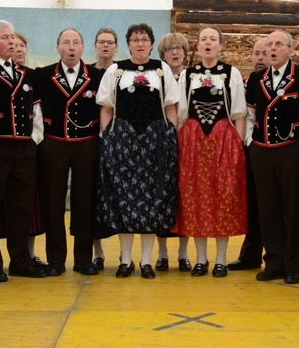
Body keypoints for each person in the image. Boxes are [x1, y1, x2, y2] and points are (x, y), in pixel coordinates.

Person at [96, 23, 179, 279]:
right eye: (135, 39)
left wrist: (170, 136)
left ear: (152, 44)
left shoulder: (162, 69)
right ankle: (125, 260)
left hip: (155, 140)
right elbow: (106, 108)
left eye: (144, 39)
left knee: (151, 199)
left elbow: (171, 107)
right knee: (125, 198)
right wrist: (108, 137)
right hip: (123, 140)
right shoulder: (116, 70)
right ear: (128, 44)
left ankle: (145, 262)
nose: (140, 43)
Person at [171, 26, 247, 278]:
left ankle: (221, 259)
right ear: (198, 45)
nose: (208, 43)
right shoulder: (188, 75)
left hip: (224, 138)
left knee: (223, 195)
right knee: (196, 196)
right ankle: (201, 259)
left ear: (220, 45)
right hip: (193, 140)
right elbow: (181, 114)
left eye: (213, 39)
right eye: (203, 39)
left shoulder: (231, 73)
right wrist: (180, 144)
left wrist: (238, 144)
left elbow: (239, 113)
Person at [246, 30, 299, 285]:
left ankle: (293, 266)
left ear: (290, 50)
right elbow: (249, 114)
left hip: (292, 149)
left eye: (278, 44)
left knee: (293, 208)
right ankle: (273, 262)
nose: (272, 49)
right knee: (268, 209)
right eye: (269, 44)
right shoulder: (257, 78)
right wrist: (250, 142)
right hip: (261, 150)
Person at [0, 20, 46, 281]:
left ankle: (21, 261)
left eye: (12, 37)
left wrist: (34, 138)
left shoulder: (26, 74)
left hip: (24, 147)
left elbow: (35, 109)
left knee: (21, 206)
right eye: (5, 38)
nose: (11, 42)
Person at [35, 28, 103, 277]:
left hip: (87, 144)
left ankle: (84, 258)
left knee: (84, 201)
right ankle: (55, 259)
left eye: (76, 42)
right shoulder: (43, 75)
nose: (71, 47)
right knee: (53, 201)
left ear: (83, 47)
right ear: (58, 47)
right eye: (66, 42)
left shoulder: (97, 76)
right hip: (54, 143)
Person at [153, 32, 192, 272]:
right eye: (169, 49)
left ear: (185, 53)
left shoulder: (193, 77)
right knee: (161, 193)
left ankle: (183, 253)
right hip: (161, 140)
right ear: (162, 54)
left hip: (188, 142)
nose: (175, 52)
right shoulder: (157, 78)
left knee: (185, 196)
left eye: (179, 48)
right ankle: (162, 253)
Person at [10, 32, 49, 270]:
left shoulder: (34, 76)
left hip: (29, 148)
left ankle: (29, 254)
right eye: (13, 45)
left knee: (29, 204)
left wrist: (34, 140)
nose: (18, 49)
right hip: (4, 149)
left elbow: (38, 112)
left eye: (22, 45)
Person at [228, 38, 267, 271]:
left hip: (271, 147)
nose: (260, 58)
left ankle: (278, 256)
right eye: (256, 53)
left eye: (264, 53)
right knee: (252, 202)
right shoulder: (249, 80)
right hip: (250, 148)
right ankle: (251, 254)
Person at [90, 27, 120, 270]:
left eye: (110, 42)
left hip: (119, 141)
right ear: (95, 46)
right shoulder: (87, 73)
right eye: (102, 42)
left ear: (117, 47)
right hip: (91, 142)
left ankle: (124, 252)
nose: (106, 46)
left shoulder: (123, 73)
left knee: (120, 194)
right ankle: (97, 252)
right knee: (93, 195)